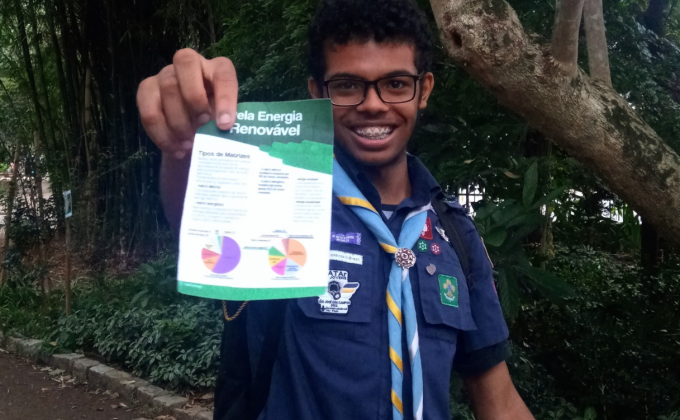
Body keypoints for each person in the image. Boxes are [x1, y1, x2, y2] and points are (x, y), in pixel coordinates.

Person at [137, 0, 535, 419]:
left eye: (396, 83)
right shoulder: (278, 200)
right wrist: (183, 146)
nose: (373, 104)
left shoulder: (454, 234)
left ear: (424, 90)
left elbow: (498, 401)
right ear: (317, 93)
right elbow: (194, 226)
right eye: (347, 85)